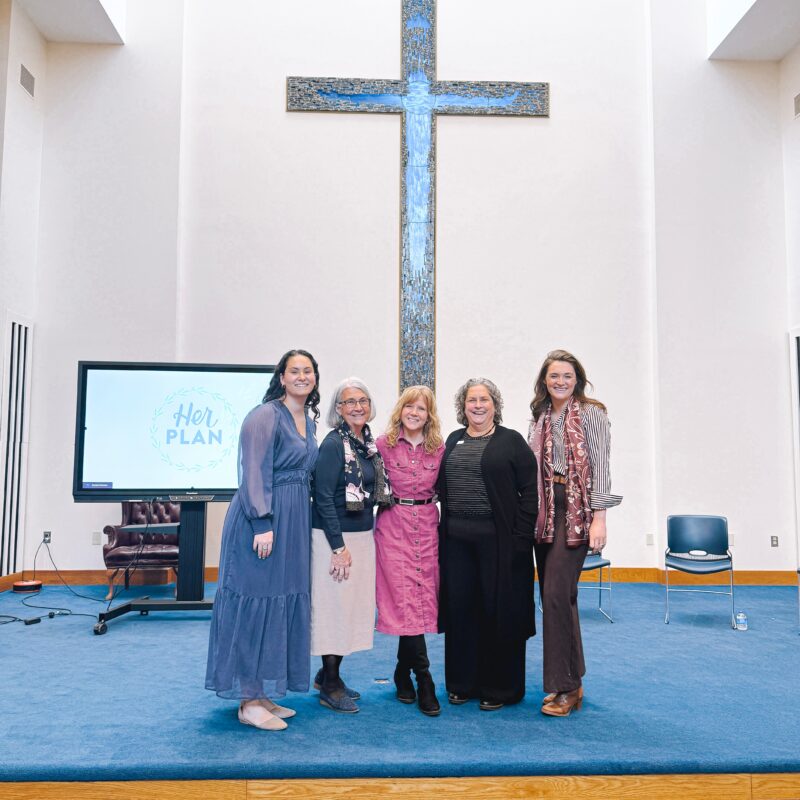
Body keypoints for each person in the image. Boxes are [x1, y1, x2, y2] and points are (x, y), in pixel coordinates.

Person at [205, 349, 320, 731]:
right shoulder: (264, 415)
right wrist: (261, 523)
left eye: (308, 371)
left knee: (280, 601)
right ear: (282, 377)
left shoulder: (309, 420)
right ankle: (247, 699)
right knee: (254, 603)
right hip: (263, 519)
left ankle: (262, 692)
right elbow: (252, 470)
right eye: (294, 371)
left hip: (295, 521)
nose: (302, 376)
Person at [528, 349, 622, 717]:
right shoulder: (540, 416)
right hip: (545, 510)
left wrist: (600, 518)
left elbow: (601, 466)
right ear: (545, 380)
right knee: (556, 597)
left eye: (567, 376)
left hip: (577, 509)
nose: (560, 382)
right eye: (554, 376)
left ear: (577, 379)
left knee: (555, 595)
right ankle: (571, 683)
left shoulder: (593, 414)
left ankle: (566, 686)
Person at [437, 378, 538, 711]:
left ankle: (501, 688)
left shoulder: (511, 442)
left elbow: (529, 495)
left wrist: (521, 539)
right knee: (461, 610)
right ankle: (462, 683)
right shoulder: (453, 440)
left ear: (495, 404)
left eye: (484, 400)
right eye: (471, 400)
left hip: (501, 544)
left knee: (499, 611)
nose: (477, 405)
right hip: (456, 544)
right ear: (462, 406)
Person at [311, 377, 392, 713]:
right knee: (334, 608)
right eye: (349, 402)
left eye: (363, 400)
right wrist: (337, 546)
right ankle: (329, 683)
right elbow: (324, 499)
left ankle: (329, 674)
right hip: (334, 538)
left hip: (361, 535)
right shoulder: (332, 445)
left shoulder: (367, 444)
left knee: (351, 607)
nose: (357, 407)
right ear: (338, 409)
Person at [375, 386, 444, 716]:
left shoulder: (439, 450)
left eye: (422, 408)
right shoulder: (383, 446)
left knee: (416, 605)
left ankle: (402, 672)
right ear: (400, 409)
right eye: (409, 406)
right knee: (404, 602)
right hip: (393, 528)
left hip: (427, 529)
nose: (415, 413)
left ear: (430, 415)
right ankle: (424, 679)